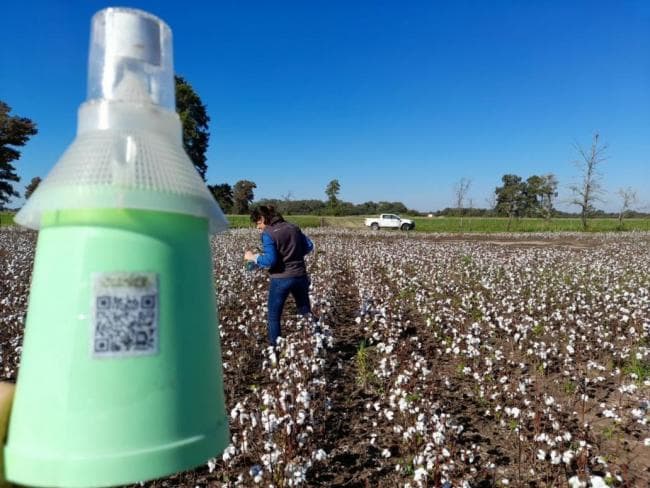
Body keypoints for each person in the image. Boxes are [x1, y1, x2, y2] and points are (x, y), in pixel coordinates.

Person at [244, 205, 314, 346]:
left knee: (274, 317)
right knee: (305, 311)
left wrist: (253, 257)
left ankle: (275, 353)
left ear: (263, 218)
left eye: (258, 223)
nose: (258, 227)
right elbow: (309, 246)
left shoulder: (268, 233)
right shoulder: (293, 227)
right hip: (300, 276)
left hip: (281, 279)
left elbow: (270, 260)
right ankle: (316, 341)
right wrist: (293, 256)